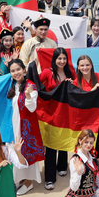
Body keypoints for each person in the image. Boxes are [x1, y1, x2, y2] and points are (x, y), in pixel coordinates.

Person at [38, 48, 74, 189]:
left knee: (64, 139)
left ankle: (62, 166)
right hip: (51, 114)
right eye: (59, 58)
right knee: (52, 144)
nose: (62, 61)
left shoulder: (70, 72)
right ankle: (49, 178)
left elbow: (76, 88)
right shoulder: (47, 72)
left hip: (65, 114)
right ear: (54, 59)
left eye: (64, 58)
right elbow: (35, 84)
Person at [7, 59, 42, 195]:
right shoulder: (12, 85)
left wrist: (28, 96)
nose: (16, 73)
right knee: (14, 151)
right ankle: (20, 179)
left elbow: (32, 108)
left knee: (26, 151)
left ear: (24, 70)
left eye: (18, 69)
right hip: (13, 125)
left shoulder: (30, 85)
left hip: (26, 126)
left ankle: (28, 181)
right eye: (13, 70)